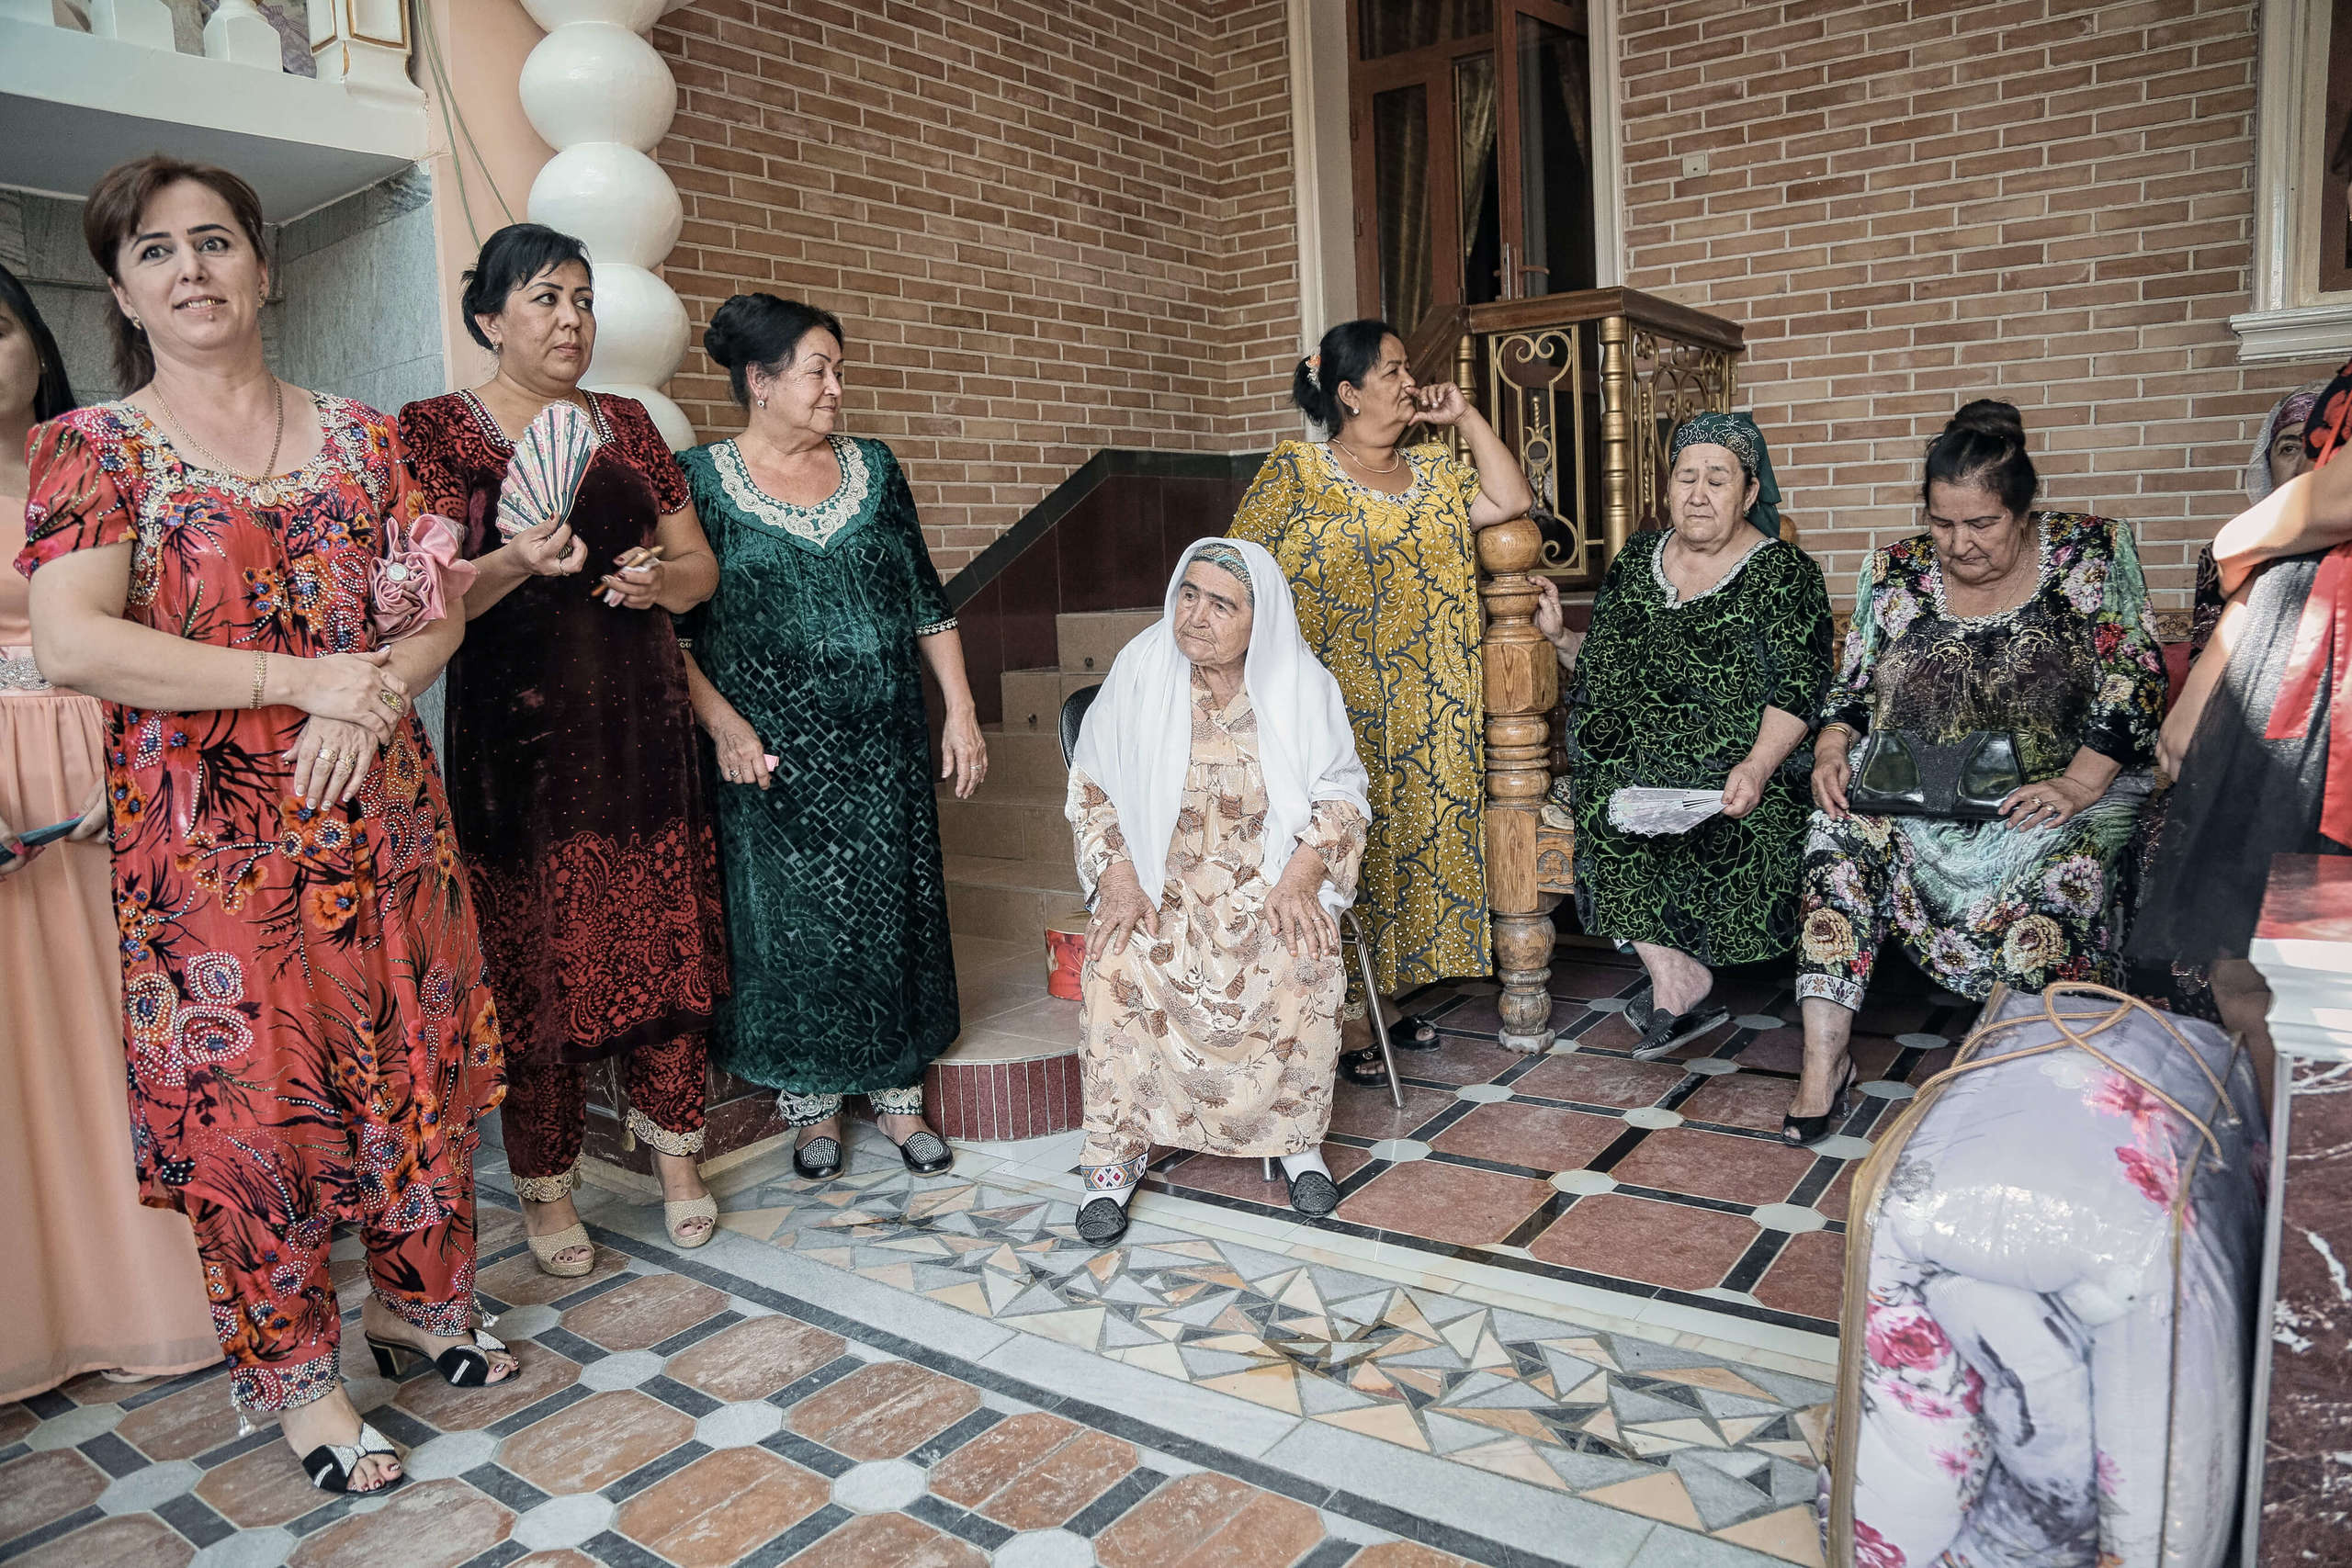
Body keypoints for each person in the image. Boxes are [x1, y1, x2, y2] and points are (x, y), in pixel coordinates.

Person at [18, 157, 510, 1494]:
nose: (193, 270)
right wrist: (307, 684)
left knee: (411, 1071)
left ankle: (419, 1304)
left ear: (263, 263)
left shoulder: (366, 437)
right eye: (159, 251)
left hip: (385, 824)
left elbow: (436, 607)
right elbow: (73, 642)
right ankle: (299, 1383)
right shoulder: (95, 451)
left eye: (217, 241)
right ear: (121, 287)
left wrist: (378, 693)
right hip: (216, 859)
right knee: (257, 1116)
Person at [399, 224, 728, 1272]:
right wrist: (513, 558)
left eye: (584, 300)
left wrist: (654, 584)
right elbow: (427, 594)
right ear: (489, 318)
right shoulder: (436, 433)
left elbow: (698, 571)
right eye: (545, 300)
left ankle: (679, 1161)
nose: (572, 320)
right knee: (535, 966)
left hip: (640, 725)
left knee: (660, 938)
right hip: (518, 750)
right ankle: (547, 1194)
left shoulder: (628, 423)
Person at [1794, 400, 2166, 1145]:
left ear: (2024, 512)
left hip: (2061, 785)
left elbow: (2138, 677)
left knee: (2070, 857)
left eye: (1982, 524)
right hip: (1919, 787)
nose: (1959, 544)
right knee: (1834, 828)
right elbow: (1853, 687)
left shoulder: (2090, 554)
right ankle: (1822, 1059)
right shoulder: (1892, 571)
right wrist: (1833, 747)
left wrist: (2081, 783)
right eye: (1942, 524)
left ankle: (2022, 1065)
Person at [673, 294, 982, 1179]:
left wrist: (958, 709)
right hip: (769, 760)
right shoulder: (700, 481)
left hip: (882, 745)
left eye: (838, 370)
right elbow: (674, 635)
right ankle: (809, 1106)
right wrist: (725, 723)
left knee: (889, 917)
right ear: (760, 382)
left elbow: (926, 601)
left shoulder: (876, 469)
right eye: (819, 370)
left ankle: (895, 1099)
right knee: (793, 930)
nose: (837, 388)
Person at [0, 262, 218, 1402]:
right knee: (30, 1057)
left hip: (131, 764)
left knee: (152, 1036)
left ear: (37, 340)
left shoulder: (99, 455)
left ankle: (168, 1295)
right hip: (7, 799)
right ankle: (46, 1311)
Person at [1229, 319, 1532, 1077]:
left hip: (1432, 712)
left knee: (1401, 850)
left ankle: (1376, 996)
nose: (1408, 382)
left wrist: (1463, 416)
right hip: (1338, 709)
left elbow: (1512, 494)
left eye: (1407, 369)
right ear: (1347, 392)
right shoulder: (1295, 474)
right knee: (1343, 847)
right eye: (1392, 371)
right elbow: (1237, 571)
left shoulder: (1436, 472)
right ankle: (1348, 1014)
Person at [1066, 539, 1369, 1246]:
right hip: (1158, 881)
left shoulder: (1300, 682)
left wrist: (1301, 875)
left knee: (1306, 955)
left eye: (1220, 603)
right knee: (1114, 959)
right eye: (1188, 594)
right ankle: (1110, 1163)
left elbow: (1343, 792)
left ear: (1259, 619)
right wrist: (1116, 877)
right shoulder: (1143, 666)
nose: (1195, 615)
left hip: (1267, 882)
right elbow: (1092, 785)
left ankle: (1295, 1142)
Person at [1546, 412, 1832, 1058]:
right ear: (1668, 487)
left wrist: (1757, 767)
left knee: (1728, 826)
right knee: (1606, 803)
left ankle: (1681, 977)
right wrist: (1561, 636)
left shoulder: (1785, 573)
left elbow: (1798, 688)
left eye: (1717, 479)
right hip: (1635, 773)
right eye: (1685, 477)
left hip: (1736, 773)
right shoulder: (1634, 561)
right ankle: (1675, 976)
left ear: (1750, 494)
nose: (1698, 493)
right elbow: (1606, 666)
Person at [2132, 366, 2352, 1079]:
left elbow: (2334, 502)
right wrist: (2197, 699)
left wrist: (2238, 537)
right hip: (2286, 693)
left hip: (2331, 713)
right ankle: (2282, 1163)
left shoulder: (2241, 538)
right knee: (2250, 975)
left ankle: (2314, 1173)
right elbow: (2280, 562)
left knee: (2318, 982)